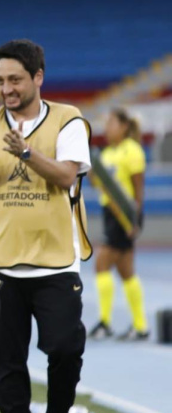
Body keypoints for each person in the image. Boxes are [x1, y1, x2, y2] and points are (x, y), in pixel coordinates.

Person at [0, 39, 92, 413]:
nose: (6, 89)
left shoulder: (68, 119)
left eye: (15, 79)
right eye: (0, 81)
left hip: (54, 263)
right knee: (6, 360)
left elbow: (67, 176)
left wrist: (26, 153)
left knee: (66, 349)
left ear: (38, 77)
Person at [89, 108, 148, 341]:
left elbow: (138, 188)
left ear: (124, 126)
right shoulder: (106, 154)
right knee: (126, 271)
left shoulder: (132, 151)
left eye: (112, 122)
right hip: (109, 212)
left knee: (101, 264)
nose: (108, 127)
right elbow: (102, 185)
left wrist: (135, 219)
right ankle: (141, 326)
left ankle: (105, 322)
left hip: (124, 215)